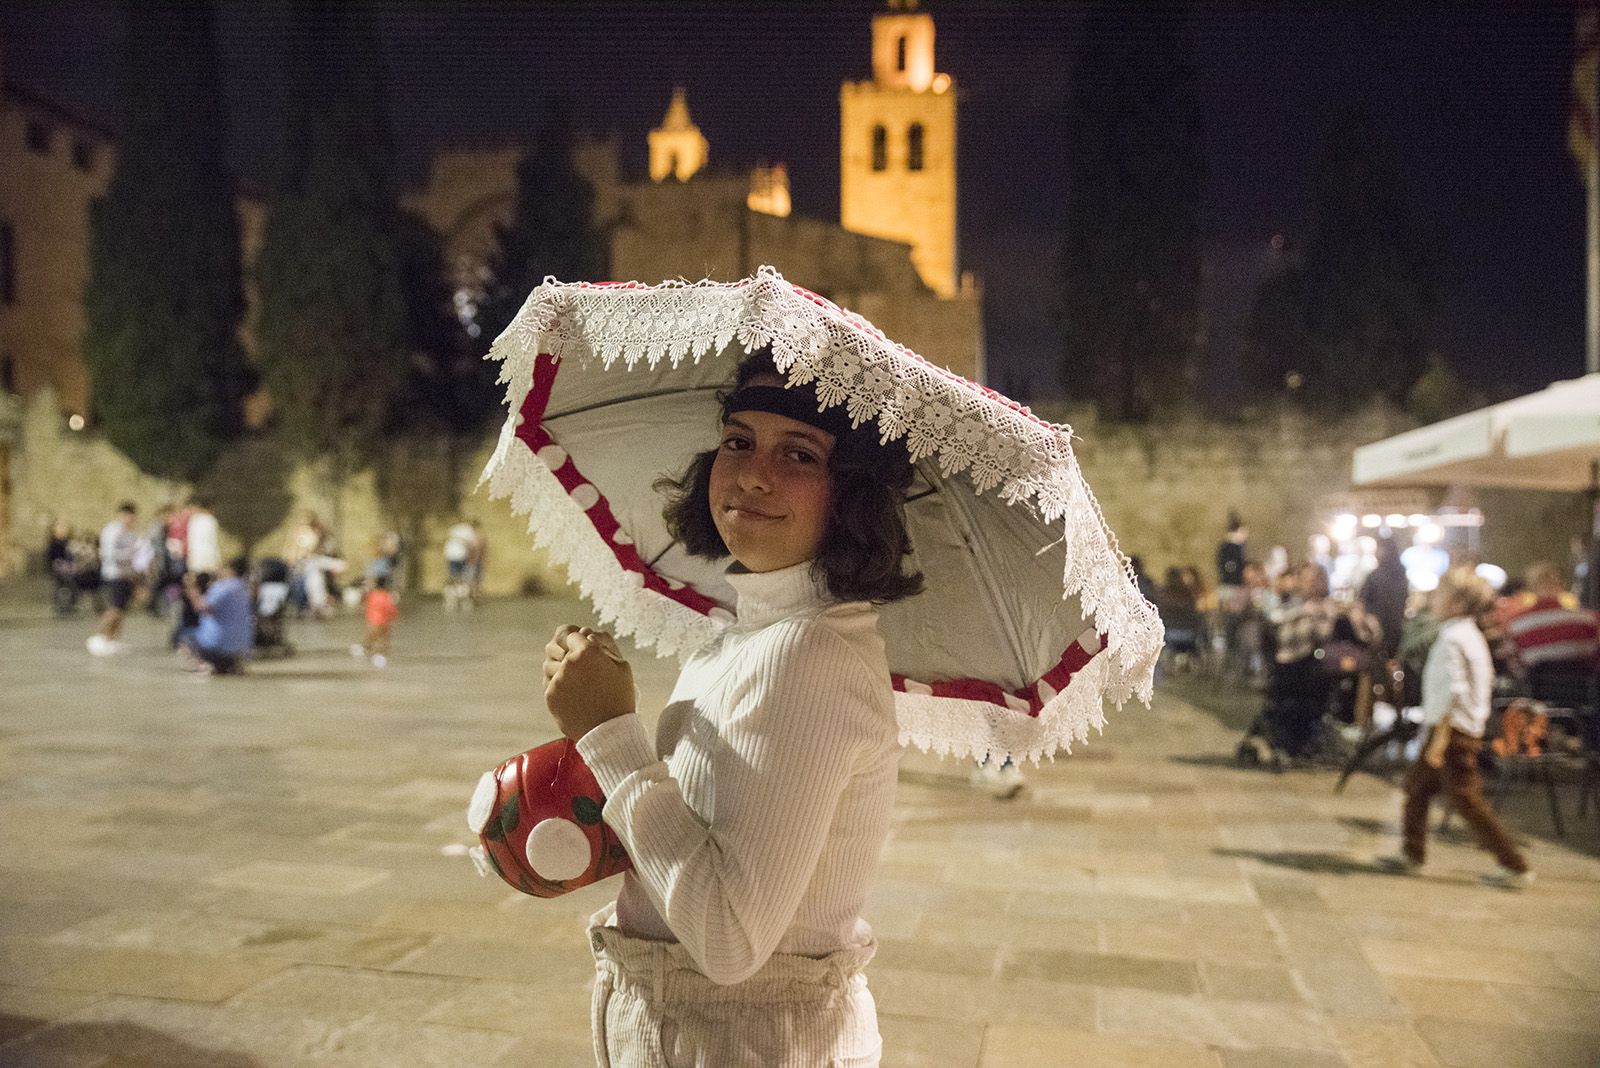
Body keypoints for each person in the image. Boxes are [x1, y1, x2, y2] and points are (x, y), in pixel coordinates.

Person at [539, 347, 921, 1066]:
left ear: (853, 495)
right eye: (739, 440)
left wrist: (609, 732)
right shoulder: (747, 636)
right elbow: (704, 842)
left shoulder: (805, 655)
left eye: (800, 455)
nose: (752, 473)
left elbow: (727, 939)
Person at [1378, 567, 1534, 889]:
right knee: (1418, 789)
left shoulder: (1451, 638)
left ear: (1459, 602)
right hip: (1459, 728)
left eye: (1441, 594)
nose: (1433, 598)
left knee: (1466, 800)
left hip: (1450, 732)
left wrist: (1439, 739)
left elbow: (1452, 691)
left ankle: (1514, 865)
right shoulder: (1469, 635)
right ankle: (1411, 853)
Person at [176, 556, 254, 675]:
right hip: (242, 647)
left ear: (230, 570)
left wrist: (191, 587)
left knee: (185, 637)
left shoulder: (223, 587)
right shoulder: (245, 588)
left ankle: (203, 665)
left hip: (218, 645)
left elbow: (202, 607)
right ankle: (229, 664)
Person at [88, 502, 141, 656]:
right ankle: (99, 636)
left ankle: (112, 639)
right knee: (114, 610)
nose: (130, 520)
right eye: (127, 516)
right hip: (114, 575)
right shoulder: (111, 531)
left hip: (127, 575)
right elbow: (110, 554)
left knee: (122, 610)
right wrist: (129, 555)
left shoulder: (131, 534)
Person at [352, 573, 399, 668]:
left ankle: (365, 650)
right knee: (384, 640)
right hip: (385, 622)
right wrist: (394, 616)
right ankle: (380, 657)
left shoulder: (372, 595)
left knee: (371, 637)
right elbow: (390, 608)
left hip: (373, 621)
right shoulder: (387, 596)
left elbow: (365, 605)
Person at [442, 518, 479, 611]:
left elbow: (447, 541)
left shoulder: (453, 528)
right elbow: (474, 544)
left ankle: (450, 600)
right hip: (461, 555)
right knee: (463, 578)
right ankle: (464, 600)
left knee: (453, 576)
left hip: (450, 555)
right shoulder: (468, 529)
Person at [185, 498, 221, 578]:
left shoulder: (193, 519)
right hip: (208, 556)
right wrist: (217, 559)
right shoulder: (211, 520)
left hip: (195, 556)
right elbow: (212, 541)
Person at [46, 519, 77, 615]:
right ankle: (58, 604)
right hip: (58, 568)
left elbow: (72, 556)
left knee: (73, 584)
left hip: (69, 568)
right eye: (59, 528)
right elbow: (51, 558)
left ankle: (72, 603)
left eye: (64, 528)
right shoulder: (53, 543)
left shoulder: (69, 542)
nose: (61, 530)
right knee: (60, 585)